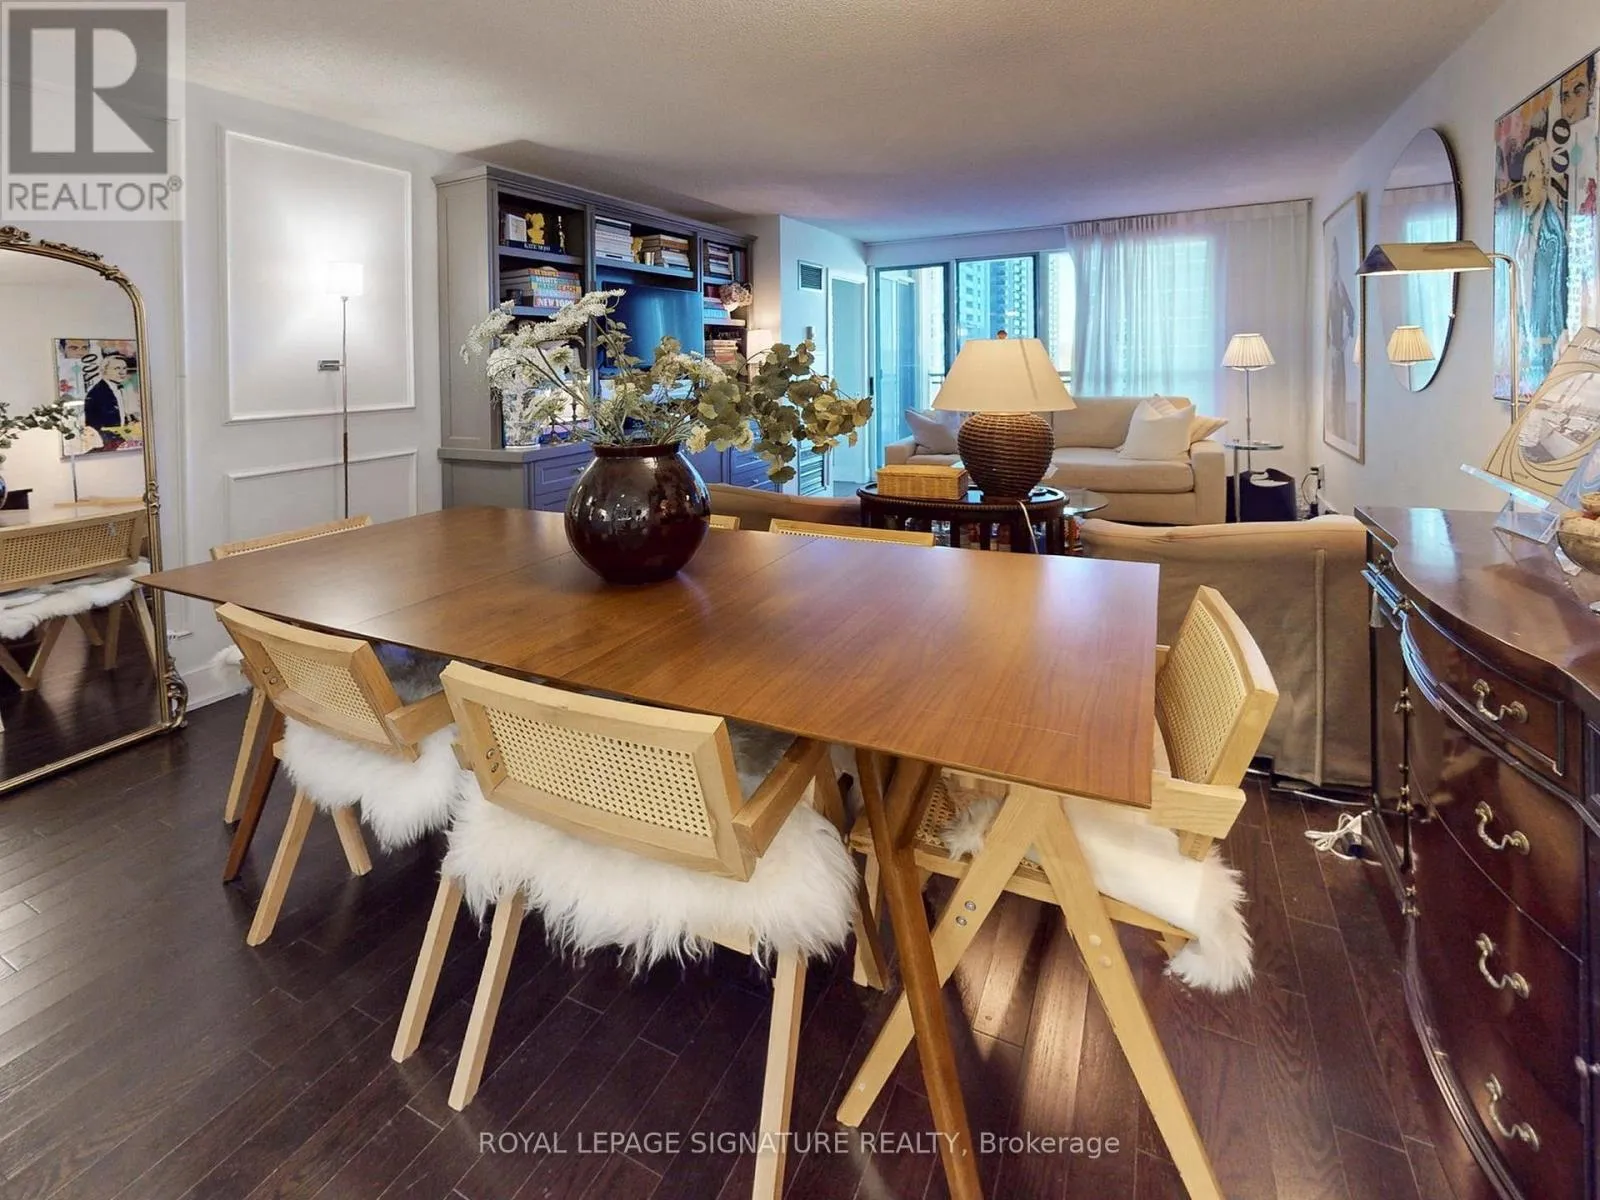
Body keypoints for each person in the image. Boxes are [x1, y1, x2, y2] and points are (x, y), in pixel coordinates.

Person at [83, 355, 130, 445]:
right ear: (104, 370)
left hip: (120, 440)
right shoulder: (97, 393)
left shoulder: (118, 388)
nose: (122, 372)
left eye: (124, 368)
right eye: (117, 368)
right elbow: (94, 426)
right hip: (107, 443)